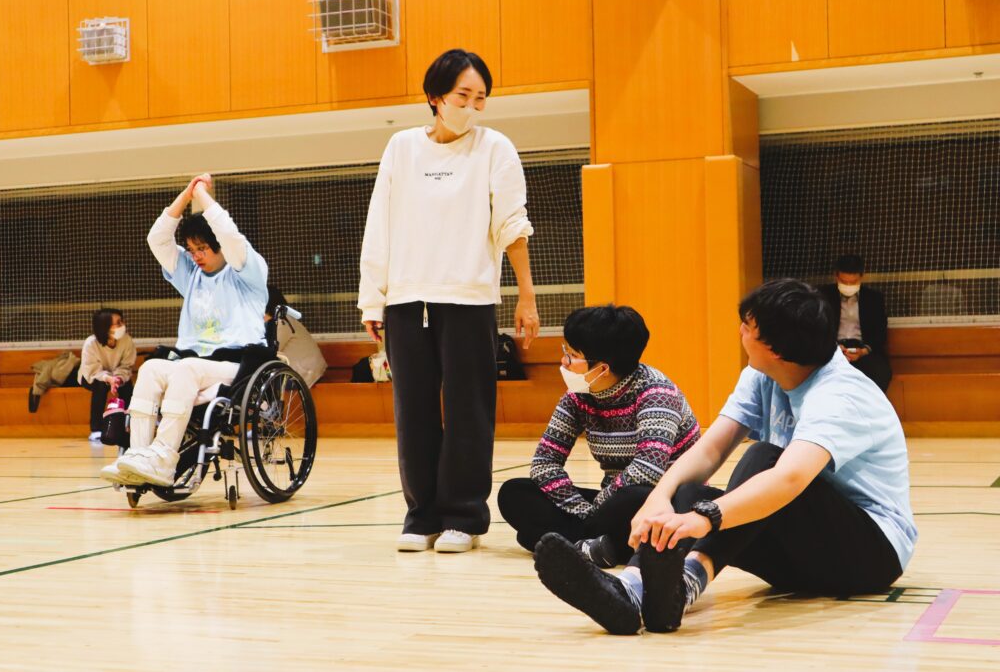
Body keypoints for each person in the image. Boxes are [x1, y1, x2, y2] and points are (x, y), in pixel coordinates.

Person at [533, 279, 917, 636]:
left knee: (763, 458)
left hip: (869, 556)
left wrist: (703, 519)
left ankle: (675, 583)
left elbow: (789, 478)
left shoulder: (840, 395)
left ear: (775, 349)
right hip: (802, 555)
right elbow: (710, 449)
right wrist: (660, 498)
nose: (740, 331)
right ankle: (635, 591)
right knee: (689, 492)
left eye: (748, 326)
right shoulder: (762, 374)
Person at [358, 48, 539, 553]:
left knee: (469, 411)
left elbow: (512, 225)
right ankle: (421, 516)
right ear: (435, 96)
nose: (472, 107)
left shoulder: (494, 147)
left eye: (481, 98)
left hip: (469, 299)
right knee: (412, 411)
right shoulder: (401, 147)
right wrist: (373, 300)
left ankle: (464, 516)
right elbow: (379, 223)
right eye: (463, 96)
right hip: (406, 300)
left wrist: (526, 295)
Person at [497, 305, 700, 567]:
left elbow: (647, 471)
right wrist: (584, 510)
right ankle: (597, 546)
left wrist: (597, 508)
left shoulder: (656, 392)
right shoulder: (578, 395)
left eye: (572, 356)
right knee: (515, 492)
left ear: (603, 368)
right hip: (609, 503)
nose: (564, 362)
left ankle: (564, 541)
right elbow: (544, 463)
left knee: (633, 497)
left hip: (662, 503)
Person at [100, 174, 268, 486]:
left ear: (219, 247)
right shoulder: (190, 273)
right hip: (193, 363)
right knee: (151, 368)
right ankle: (138, 456)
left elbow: (229, 234)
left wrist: (202, 195)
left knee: (186, 368)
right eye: (191, 249)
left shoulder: (247, 272)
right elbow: (158, 239)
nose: (195, 256)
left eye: (202, 248)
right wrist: (186, 194)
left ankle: (164, 457)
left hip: (235, 364)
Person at [818, 254, 892, 392]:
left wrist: (864, 351)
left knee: (880, 372)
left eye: (853, 282)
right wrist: (834, 347)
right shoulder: (823, 296)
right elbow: (818, 328)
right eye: (844, 281)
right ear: (836, 276)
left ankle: (869, 405)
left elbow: (880, 332)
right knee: (822, 374)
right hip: (832, 349)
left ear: (862, 277)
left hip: (863, 349)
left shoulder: (874, 299)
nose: (848, 286)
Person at [78, 308, 135, 441]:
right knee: (100, 386)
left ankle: (126, 426)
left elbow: (127, 365)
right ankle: (96, 429)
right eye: (118, 323)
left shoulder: (126, 340)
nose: (123, 325)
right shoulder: (91, 344)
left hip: (117, 375)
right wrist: (108, 379)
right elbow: (91, 370)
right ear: (105, 327)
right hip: (93, 377)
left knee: (127, 387)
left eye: (122, 321)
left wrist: (118, 378)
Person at [265, 285, 327, 387]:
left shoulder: (282, 322)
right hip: (302, 371)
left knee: (261, 384)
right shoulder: (284, 319)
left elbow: (269, 351)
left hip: (305, 374)